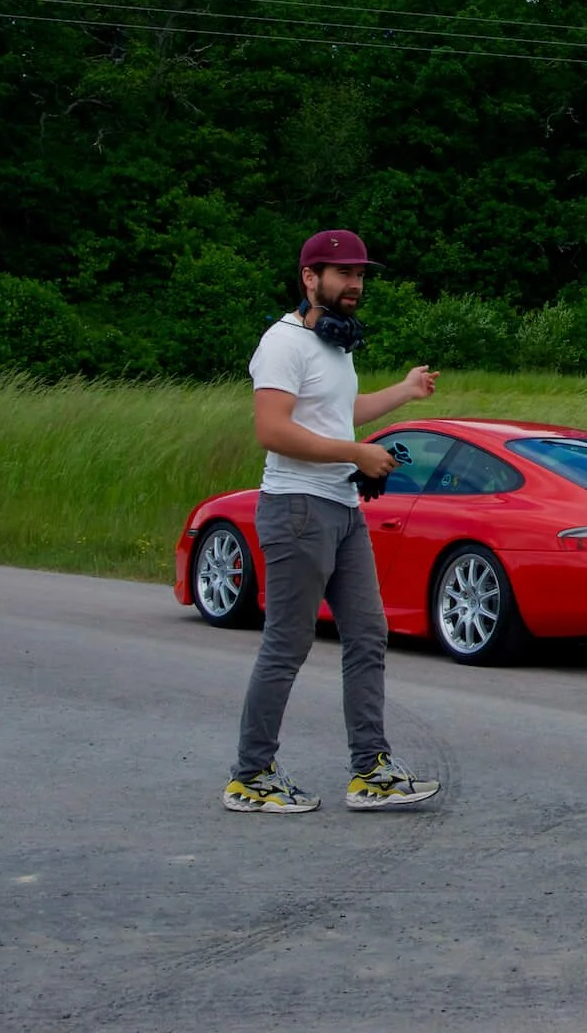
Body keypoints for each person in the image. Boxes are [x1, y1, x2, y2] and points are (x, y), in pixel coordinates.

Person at [222, 229, 443, 813]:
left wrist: (403, 391)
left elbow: (338, 413)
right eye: (343, 274)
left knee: (368, 634)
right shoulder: (283, 342)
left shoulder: (335, 345)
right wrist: (356, 455)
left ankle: (370, 770)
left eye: (361, 275)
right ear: (309, 278)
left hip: (342, 509)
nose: (355, 285)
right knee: (288, 642)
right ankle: (251, 775)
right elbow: (273, 430)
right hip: (297, 507)